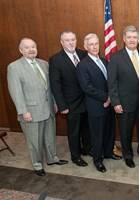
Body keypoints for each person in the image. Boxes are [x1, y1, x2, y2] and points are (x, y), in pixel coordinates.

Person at [7, 38, 68, 176]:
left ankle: (52, 158)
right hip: (31, 112)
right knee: (34, 140)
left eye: (33, 47)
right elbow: (16, 92)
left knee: (50, 136)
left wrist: (55, 102)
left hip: (48, 109)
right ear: (21, 50)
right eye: (27, 47)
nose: (31, 50)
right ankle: (37, 164)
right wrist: (23, 111)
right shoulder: (14, 67)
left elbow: (50, 88)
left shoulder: (44, 64)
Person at [108, 25, 139, 168]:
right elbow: (112, 83)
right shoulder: (115, 58)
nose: (132, 40)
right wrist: (115, 102)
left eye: (135, 37)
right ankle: (127, 155)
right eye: (129, 37)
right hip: (124, 103)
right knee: (125, 132)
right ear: (124, 39)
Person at [76, 33, 121, 173]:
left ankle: (108, 152)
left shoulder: (104, 60)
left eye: (96, 44)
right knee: (97, 134)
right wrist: (106, 98)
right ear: (85, 47)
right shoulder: (82, 65)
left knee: (109, 131)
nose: (94, 46)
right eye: (91, 44)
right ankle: (97, 160)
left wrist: (111, 98)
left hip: (109, 105)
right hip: (96, 105)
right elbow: (87, 87)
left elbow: (111, 81)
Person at [49, 31, 90, 167]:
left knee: (86, 128)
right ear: (62, 42)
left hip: (87, 100)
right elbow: (55, 85)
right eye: (67, 40)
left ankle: (86, 149)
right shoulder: (56, 60)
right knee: (74, 131)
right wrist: (62, 105)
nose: (71, 42)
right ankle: (75, 156)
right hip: (71, 104)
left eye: (73, 39)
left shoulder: (84, 54)